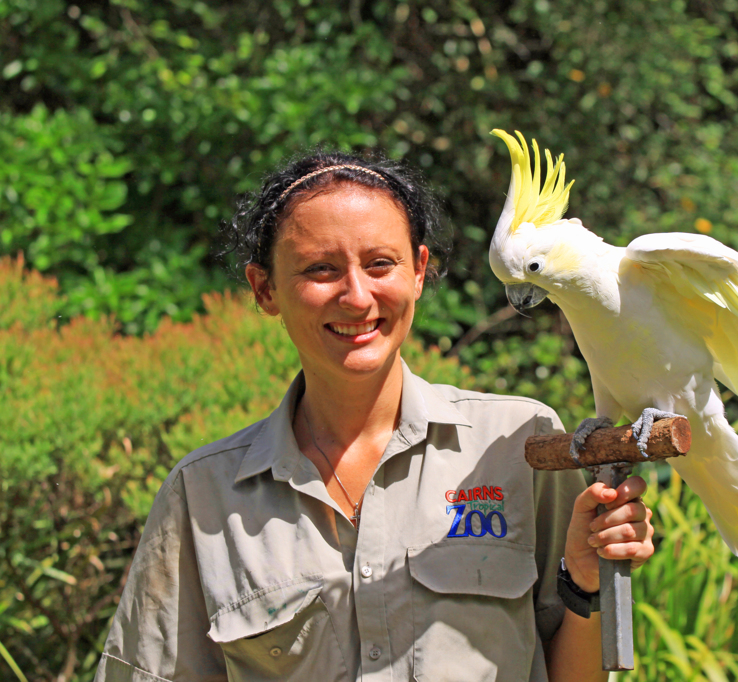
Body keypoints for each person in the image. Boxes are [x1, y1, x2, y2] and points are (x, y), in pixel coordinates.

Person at [95, 151, 655, 682]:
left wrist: (585, 581)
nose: (357, 297)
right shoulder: (203, 496)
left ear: (418, 270)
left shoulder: (519, 444)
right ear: (264, 289)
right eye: (320, 269)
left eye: (380, 264)